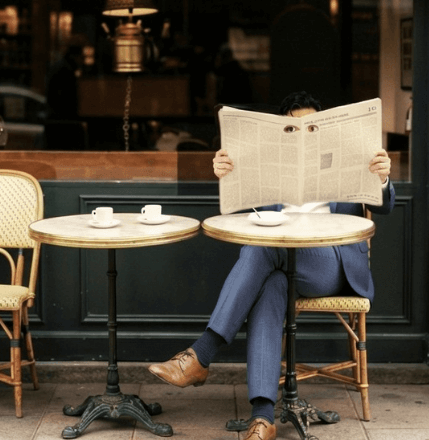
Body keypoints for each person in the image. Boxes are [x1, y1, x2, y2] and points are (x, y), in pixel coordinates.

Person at [147, 91, 394, 440]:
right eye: (294, 127)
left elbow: (384, 207)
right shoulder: (272, 157)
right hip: (282, 259)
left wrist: (382, 177)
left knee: (261, 248)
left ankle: (203, 353)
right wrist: (225, 170)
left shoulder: (349, 153)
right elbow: (240, 197)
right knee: (272, 283)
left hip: (330, 263)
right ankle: (263, 418)